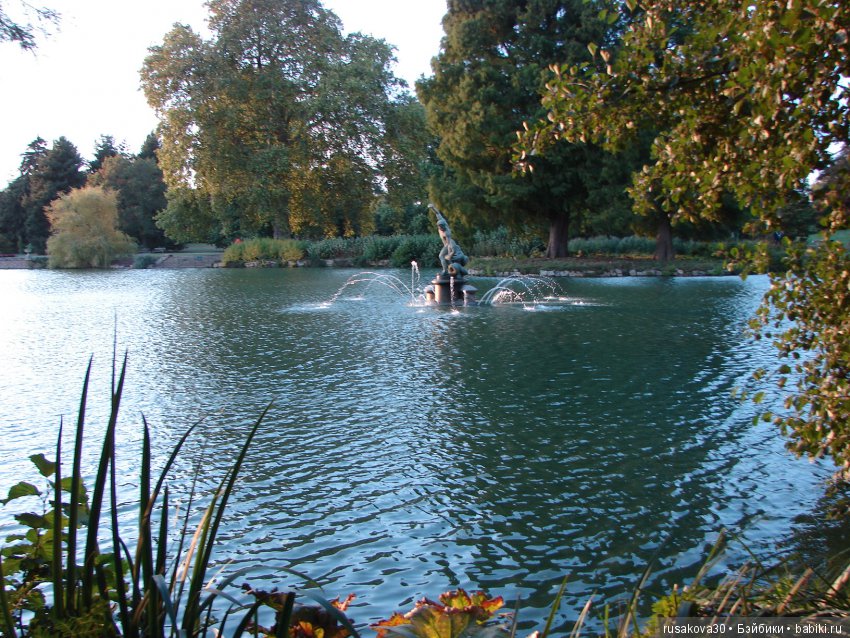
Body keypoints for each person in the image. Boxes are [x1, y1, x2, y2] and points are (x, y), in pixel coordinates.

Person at [429, 204, 468, 277]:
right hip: (446, 245)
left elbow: (449, 243)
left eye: (442, 227)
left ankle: (445, 270)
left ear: (444, 226)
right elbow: (438, 213)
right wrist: (432, 208)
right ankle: (449, 269)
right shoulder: (442, 221)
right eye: (440, 227)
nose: (441, 228)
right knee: (445, 257)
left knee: (441, 256)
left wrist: (450, 253)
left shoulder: (447, 233)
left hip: (449, 244)